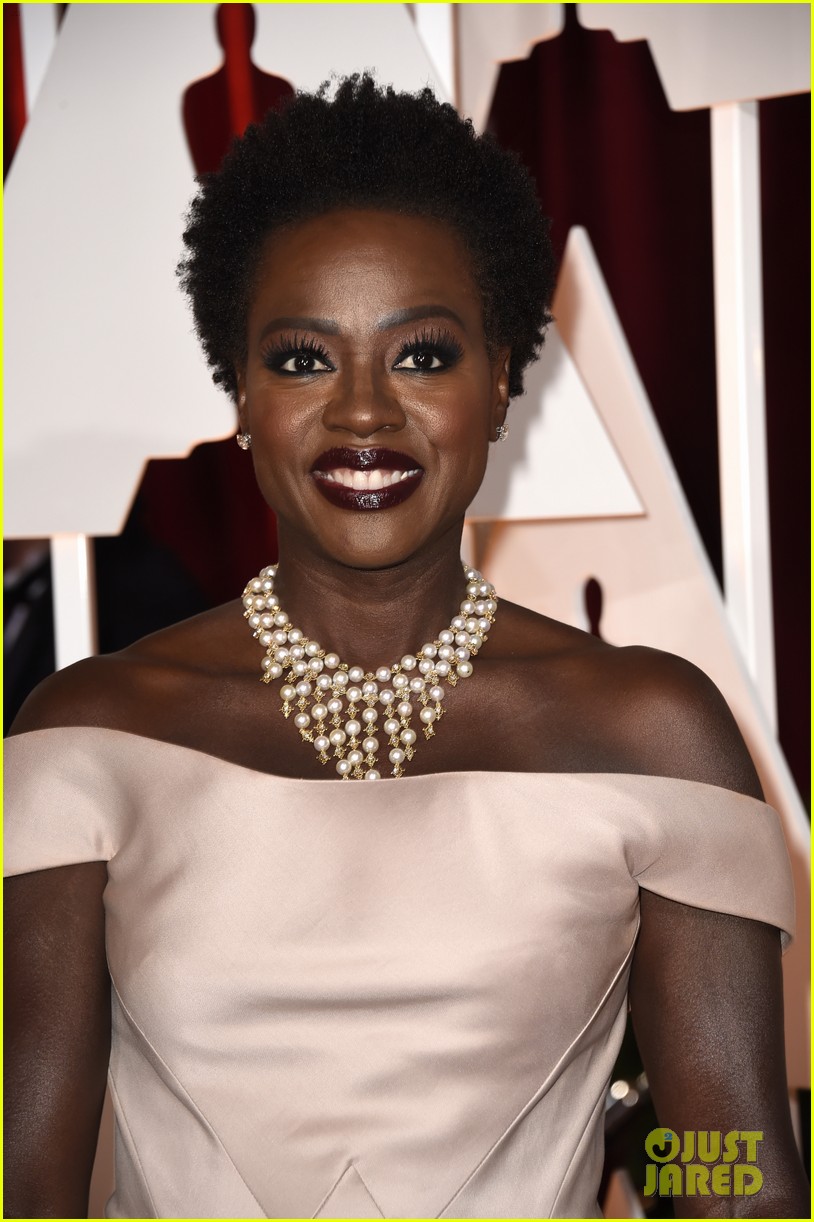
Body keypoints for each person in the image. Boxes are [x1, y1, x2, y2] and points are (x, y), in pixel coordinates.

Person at [4, 74, 806, 1219]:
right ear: (240, 395)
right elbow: (24, 1187)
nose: (364, 412)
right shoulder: (85, 737)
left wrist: (672, 1178)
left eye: (421, 354)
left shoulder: (651, 732)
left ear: (501, 380)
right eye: (303, 358)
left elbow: (729, 1163)